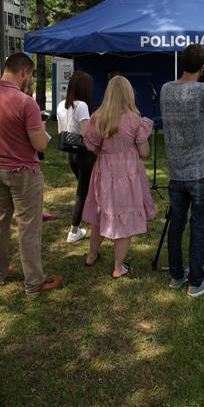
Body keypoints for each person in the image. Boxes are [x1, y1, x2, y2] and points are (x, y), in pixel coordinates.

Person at [0, 52, 61, 295]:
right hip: (23, 171)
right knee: (29, 226)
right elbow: (40, 145)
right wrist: (42, 130)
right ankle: (34, 282)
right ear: (24, 72)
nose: (29, 79)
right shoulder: (26, 102)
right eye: (30, 75)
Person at [160, 44, 204, 297]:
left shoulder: (166, 89)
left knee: (176, 225)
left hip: (176, 172)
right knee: (199, 227)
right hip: (201, 171)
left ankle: (176, 276)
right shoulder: (203, 90)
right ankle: (196, 283)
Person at [81, 76, 155, 278]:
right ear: (129, 94)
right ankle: (118, 267)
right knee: (124, 220)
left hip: (104, 171)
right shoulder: (135, 120)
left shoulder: (98, 118)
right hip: (127, 175)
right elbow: (144, 152)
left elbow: (93, 147)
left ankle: (91, 255)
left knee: (100, 216)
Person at [57, 71, 95, 244]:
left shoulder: (60, 106)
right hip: (85, 155)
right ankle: (74, 230)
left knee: (85, 190)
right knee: (82, 192)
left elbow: (61, 133)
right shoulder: (82, 107)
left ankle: (91, 219)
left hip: (71, 155)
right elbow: (87, 135)